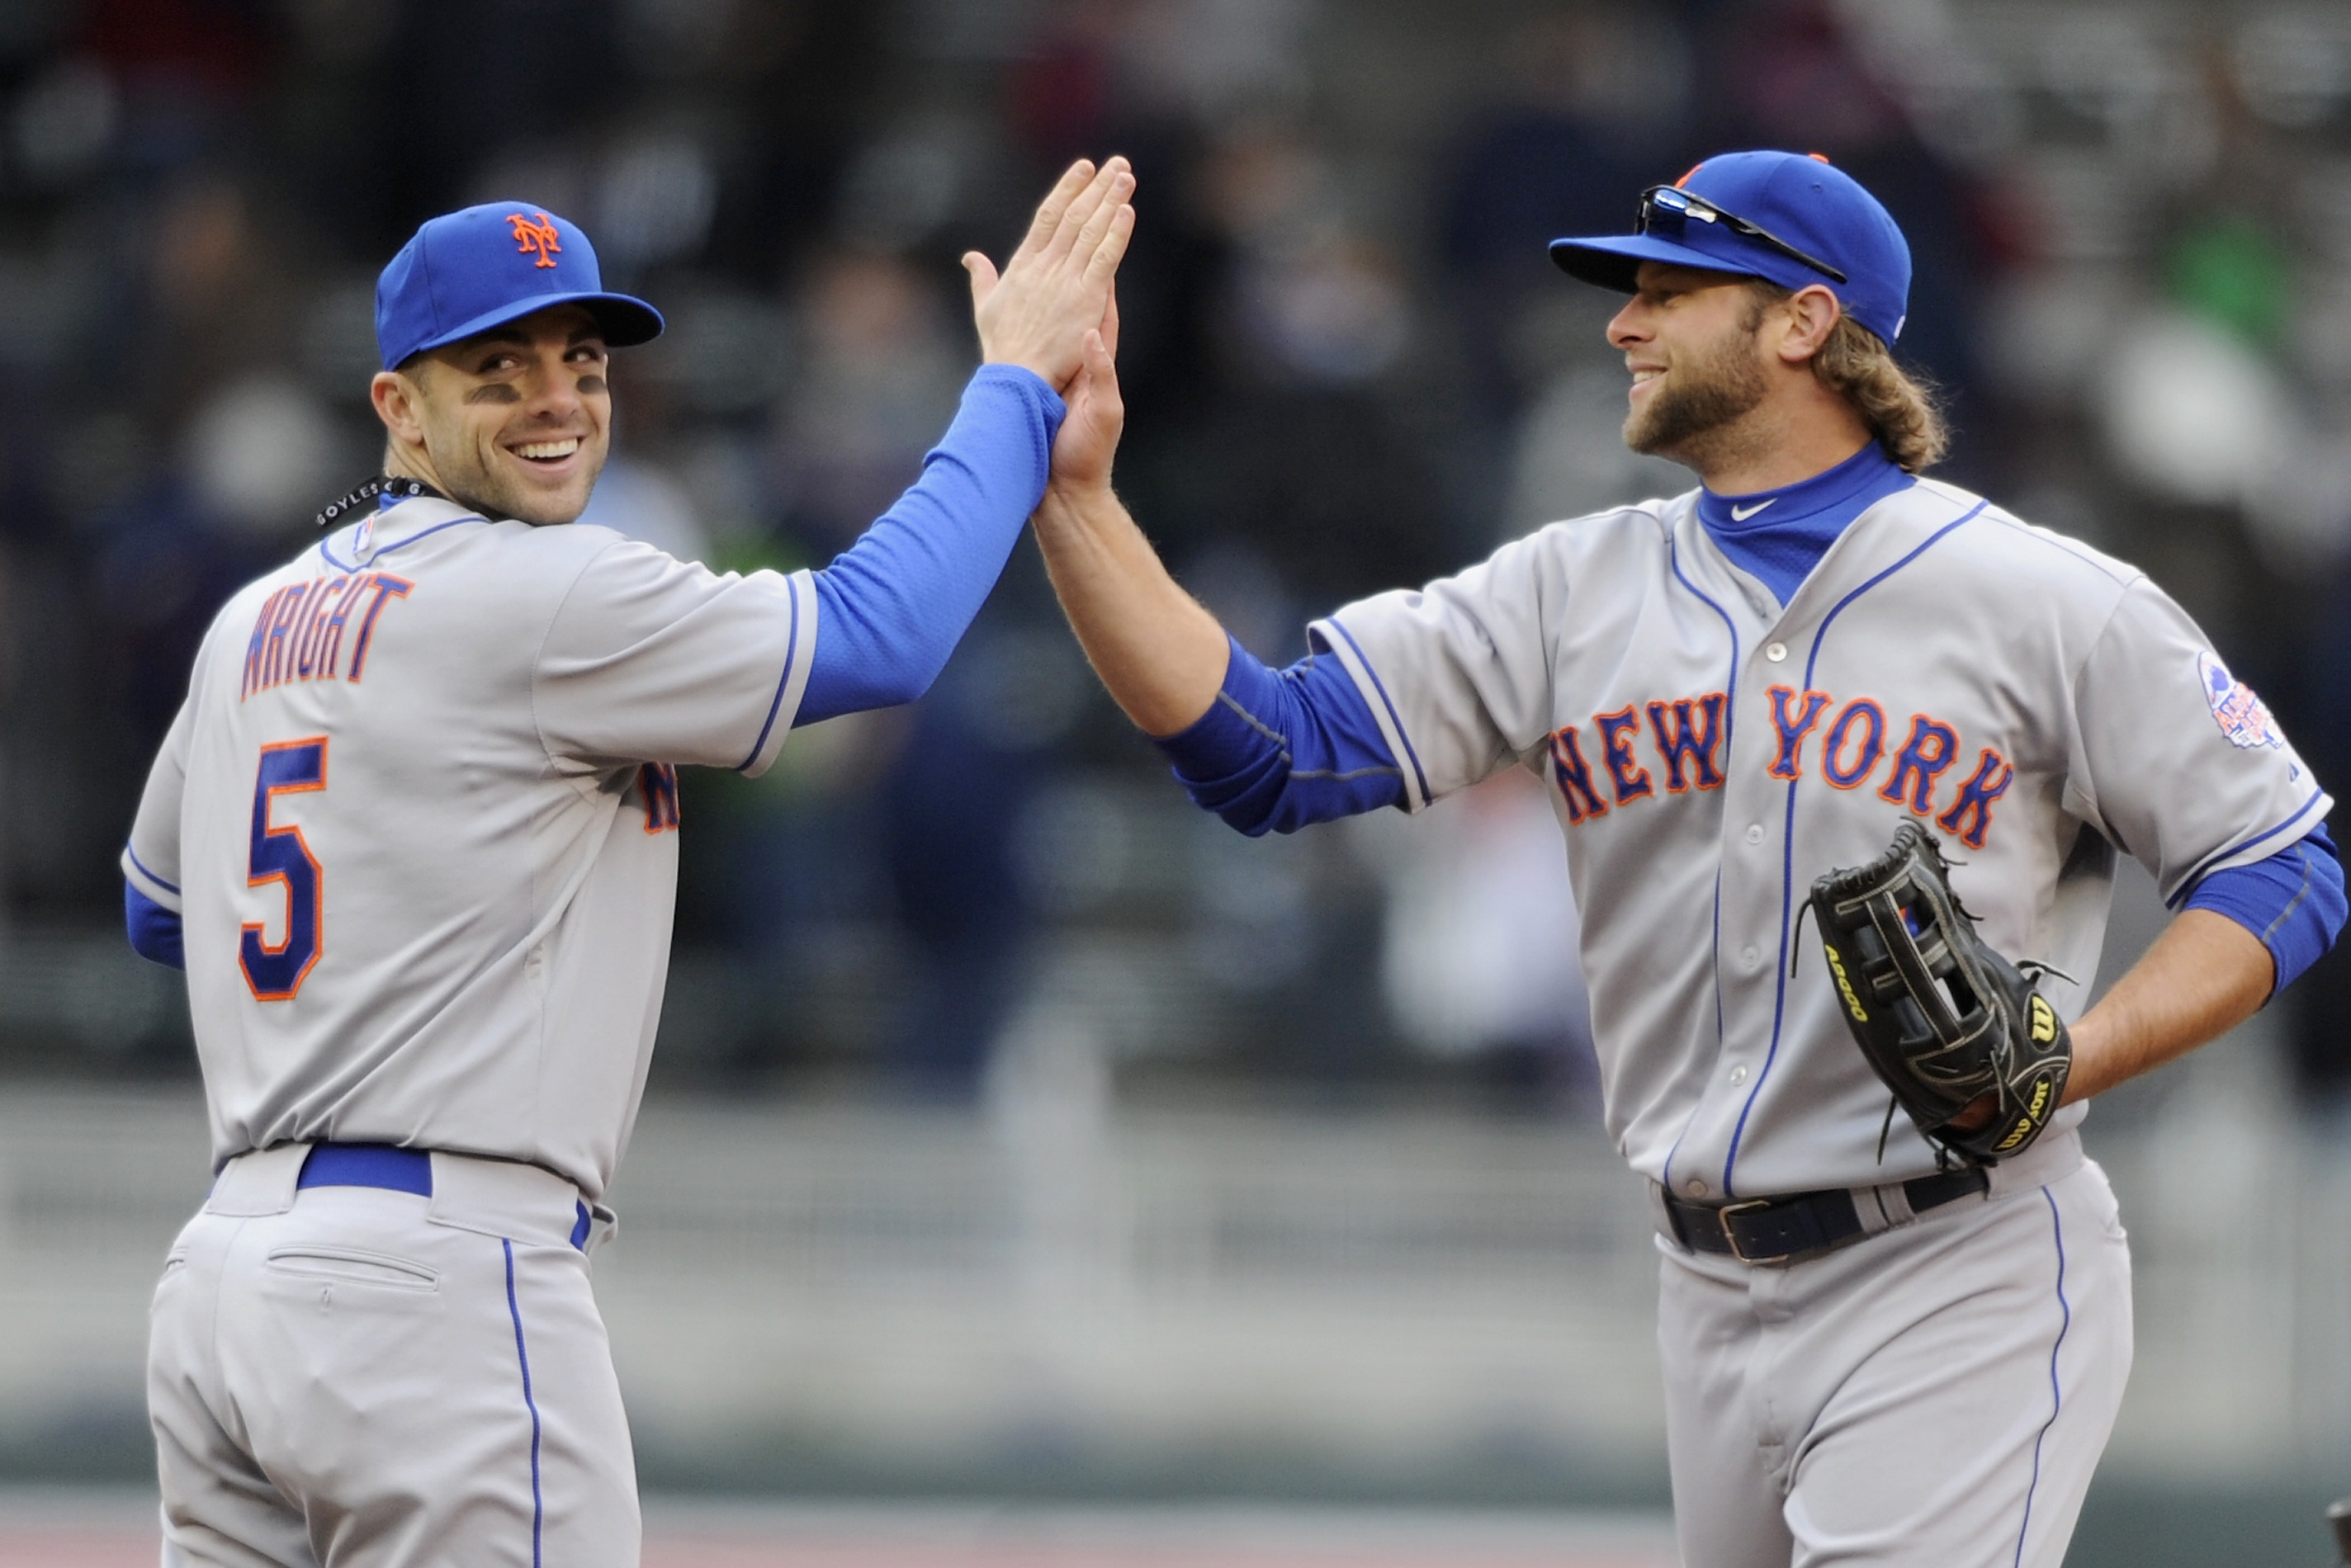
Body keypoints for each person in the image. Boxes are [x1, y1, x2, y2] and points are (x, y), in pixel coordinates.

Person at [1028, 150, 2344, 1567]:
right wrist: (1079, 502)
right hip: (1703, 1284)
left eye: (1669, 289)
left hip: (1957, 1263)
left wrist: (2070, 1057)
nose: (1622, 324)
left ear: (1801, 323)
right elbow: (1269, 755)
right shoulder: (1567, 588)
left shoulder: (2043, 601)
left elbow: (2285, 862)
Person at [117, 158, 1133, 1566]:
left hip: (224, 1286)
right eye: (500, 366)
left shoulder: (256, 621)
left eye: (582, 360)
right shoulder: (545, 589)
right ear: (396, 407)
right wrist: (1013, 390)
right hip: (441, 1282)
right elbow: (879, 637)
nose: (557, 397)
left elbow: (159, 910)